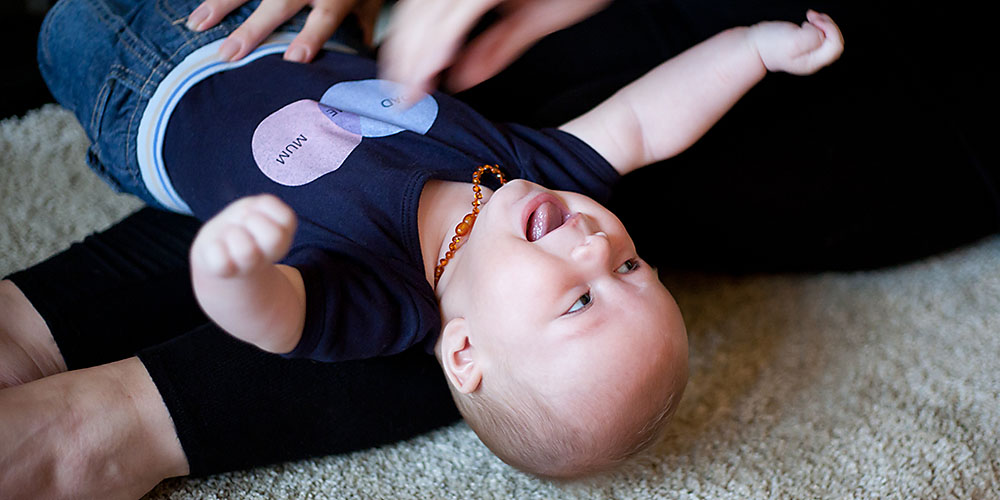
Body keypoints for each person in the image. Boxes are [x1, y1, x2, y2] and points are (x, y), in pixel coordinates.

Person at [3, 0, 993, 498]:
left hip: (135, 93)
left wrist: (232, 268)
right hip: (285, 43)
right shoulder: (528, 164)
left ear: (462, 347)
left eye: (579, 299)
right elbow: (644, 125)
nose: (600, 246)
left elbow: (280, 324)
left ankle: (82, 407)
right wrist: (754, 52)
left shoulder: (386, 301)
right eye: (630, 268)